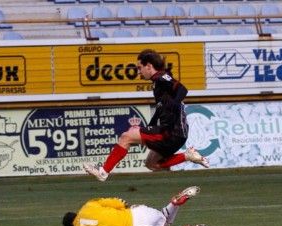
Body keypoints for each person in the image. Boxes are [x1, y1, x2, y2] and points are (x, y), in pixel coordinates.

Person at [83, 49, 209, 182]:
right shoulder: (158, 82)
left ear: (149, 66)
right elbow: (160, 110)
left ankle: (103, 172)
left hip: (171, 132)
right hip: (177, 135)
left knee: (126, 137)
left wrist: (174, 104)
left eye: (139, 68)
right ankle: (187, 156)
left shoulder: (161, 78)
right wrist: (148, 129)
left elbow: (182, 89)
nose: (138, 72)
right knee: (151, 164)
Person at [62, 186, 208, 226]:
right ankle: (174, 204)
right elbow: (119, 202)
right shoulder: (89, 205)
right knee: (163, 218)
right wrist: (126, 206)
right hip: (138, 214)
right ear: (76, 213)